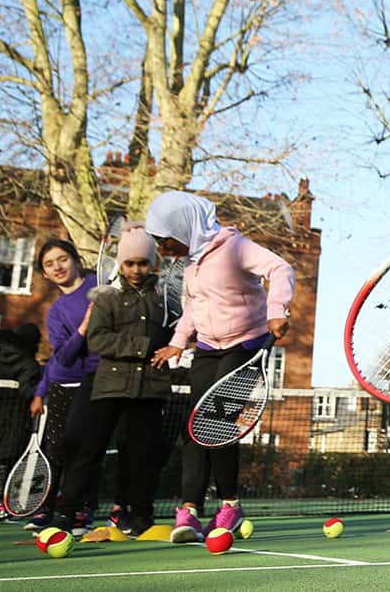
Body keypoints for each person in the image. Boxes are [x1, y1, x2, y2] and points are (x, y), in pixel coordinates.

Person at [148, 190, 294, 543]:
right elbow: (192, 309)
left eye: (165, 240)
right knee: (196, 426)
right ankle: (190, 511)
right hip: (209, 347)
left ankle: (229, 504)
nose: (163, 249)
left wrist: (277, 310)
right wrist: (177, 343)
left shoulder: (234, 246)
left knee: (218, 423)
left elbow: (280, 268)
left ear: (183, 228)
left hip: (246, 343)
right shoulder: (190, 263)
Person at [54, 225, 172, 537]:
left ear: (152, 263)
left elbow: (177, 333)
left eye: (143, 263)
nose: (136, 270)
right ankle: (66, 513)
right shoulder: (106, 297)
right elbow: (98, 339)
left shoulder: (164, 297)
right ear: (120, 264)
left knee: (142, 455)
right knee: (89, 450)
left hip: (149, 389)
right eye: (129, 263)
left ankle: (140, 515)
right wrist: (143, 347)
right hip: (108, 386)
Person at [27, 238, 100, 532]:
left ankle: (85, 509)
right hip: (65, 386)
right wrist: (83, 329)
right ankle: (51, 506)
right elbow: (65, 357)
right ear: (44, 273)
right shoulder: (56, 312)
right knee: (59, 449)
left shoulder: (99, 285)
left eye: (62, 259)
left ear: (75, 259)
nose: (57, 267)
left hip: (102, 382)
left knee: (90, 449)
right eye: (49, 264)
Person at [0, 323, 43, 521]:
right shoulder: (29, 364)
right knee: (9, 460)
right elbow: (27, 391)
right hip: (16, 419)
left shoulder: (0, 359)